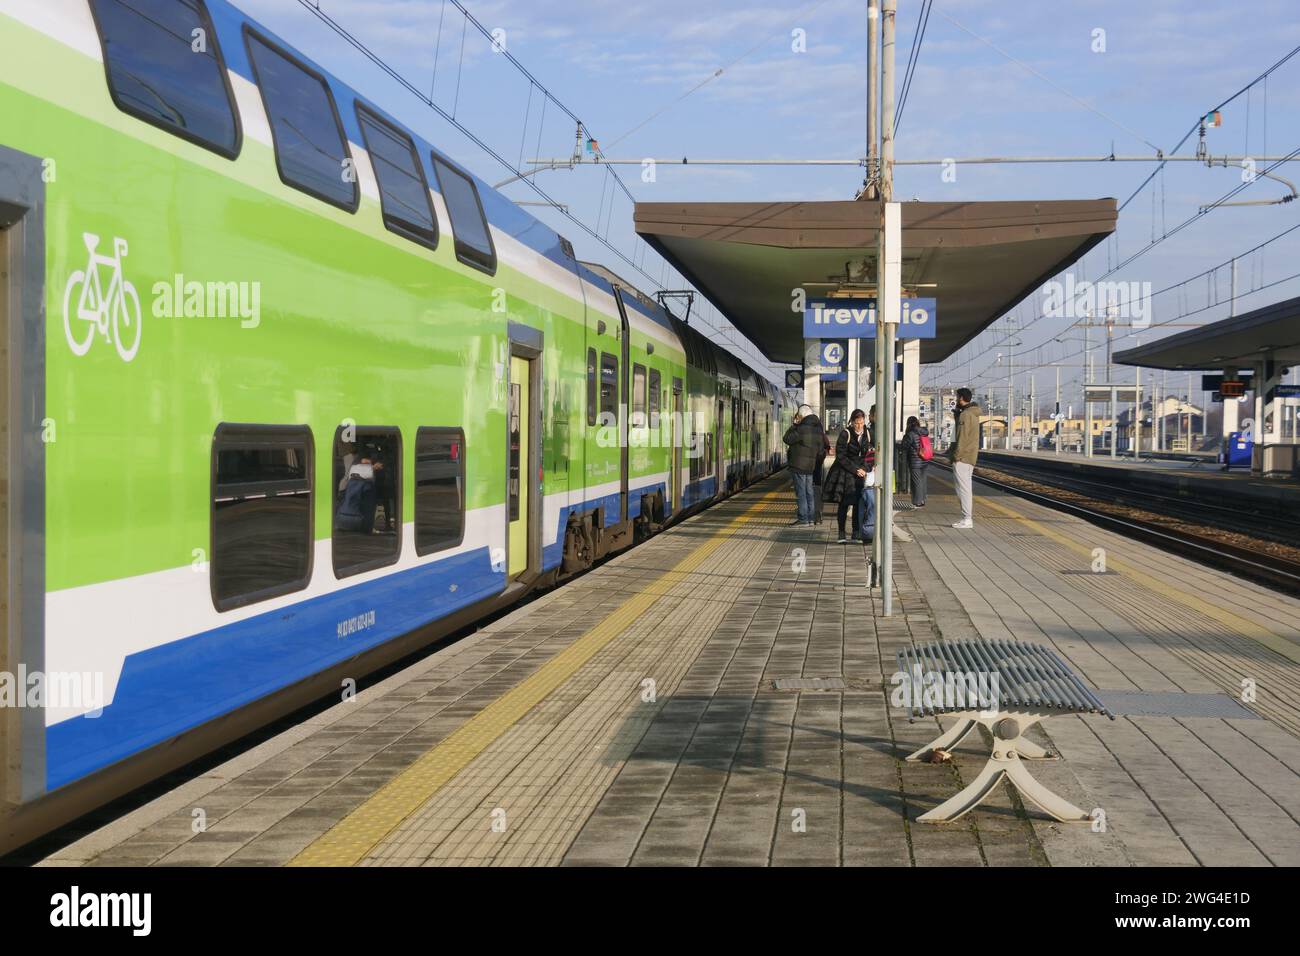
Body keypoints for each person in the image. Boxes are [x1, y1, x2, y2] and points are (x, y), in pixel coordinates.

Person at [822, 408, 874, 543]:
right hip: (844, 472)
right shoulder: (846, 434)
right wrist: (856, 469)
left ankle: (856, 532)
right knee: (844, 503)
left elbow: (871, 455)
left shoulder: (868, 434)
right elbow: (840, 456)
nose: (859, 426)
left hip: (860, 473)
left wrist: (864, 469)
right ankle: (841, 533)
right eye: (857, 423)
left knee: (858, 503)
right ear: (852, 421)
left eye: (862, 422)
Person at [783, 404, 825, 526]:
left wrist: (794, 425)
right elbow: (821, 449)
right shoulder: (818, 429)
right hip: (811, 466)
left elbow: (787, 439)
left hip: (798, 465)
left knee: (801, 493)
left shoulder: (801, 428)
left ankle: (803, 518)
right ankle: (811, 519)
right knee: (809, 492)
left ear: (801, 416)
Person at [949, 388, 981, 529]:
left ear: (961, 398)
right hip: (970, 455)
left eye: (957, 397)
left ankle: (967, 518)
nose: (956, 400)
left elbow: (961, 437)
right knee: (966, 488)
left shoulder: (965, 415)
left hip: (962, 457)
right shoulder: (973, 414)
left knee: (963, 489)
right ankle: (966, 517)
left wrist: (956, 456)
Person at [901, 415, 931, 507]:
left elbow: (904, 446)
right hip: (925, 460)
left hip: (915, 461)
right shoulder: (924, 432)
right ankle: (922, 500)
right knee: (923, 480)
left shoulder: (910, 434)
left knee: (916, 481)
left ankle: (918, 501)